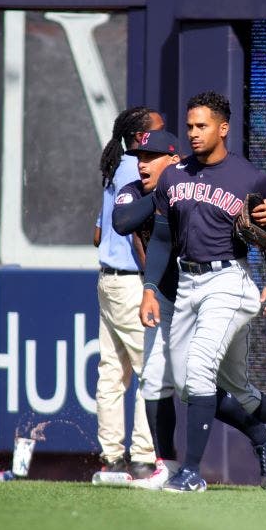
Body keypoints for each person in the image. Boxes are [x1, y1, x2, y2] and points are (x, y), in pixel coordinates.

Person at [113, 129, 266, 492]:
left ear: (172, 158)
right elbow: (122, 222)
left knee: (230, 386)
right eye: (139, 157)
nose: (142, 164)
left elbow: (265, 220)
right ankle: (173, 467)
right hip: (172, 298)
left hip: (220, 289)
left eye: (151, 157)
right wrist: (167, 191)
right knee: (166, 381)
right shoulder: (145, 188)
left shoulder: (197, 181)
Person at [93, 105, 162, 481]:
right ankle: (143, 456)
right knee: (149, 369)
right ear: (140, 138)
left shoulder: (113, 167)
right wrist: (153, 274)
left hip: (106, 279)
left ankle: (112, 455)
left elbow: (98, 234)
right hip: (132, 282)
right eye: (158, 132)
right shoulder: (137, 169)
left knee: (111, 372)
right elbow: (135, 231)